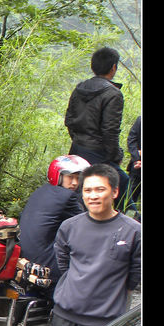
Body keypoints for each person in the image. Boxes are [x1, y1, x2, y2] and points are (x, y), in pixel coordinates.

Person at [50, 163, 141, 326]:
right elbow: (63, 262)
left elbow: (135, 274)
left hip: (102, 322)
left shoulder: (133, 231)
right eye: (88, 190)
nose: (93, 196)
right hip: (64, 316)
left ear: (115, 192)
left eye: (100, 189)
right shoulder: (69, 226)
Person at [64, 47, 129, 207]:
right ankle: (130, 224)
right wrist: (115, 156)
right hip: (98, 152)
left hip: (77, 149)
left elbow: (69, 121)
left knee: (79, 191)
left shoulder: (79, 88)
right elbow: (110, 131)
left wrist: (79, 141)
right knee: (122, 182)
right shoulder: (113, 94)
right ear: (113, 67)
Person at [16, 155, 88, 292]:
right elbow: (85, 224)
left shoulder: (41, 191)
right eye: (70, 177)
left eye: (78, 178)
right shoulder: (68, 197)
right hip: (45, 260)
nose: (74, 182)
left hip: (24, 253)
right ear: (58, 176)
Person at [124, 115, 141, 216]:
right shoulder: (140, 120)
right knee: (130, 197)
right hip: (136, 167)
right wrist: (137, 158)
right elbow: (131, 140)